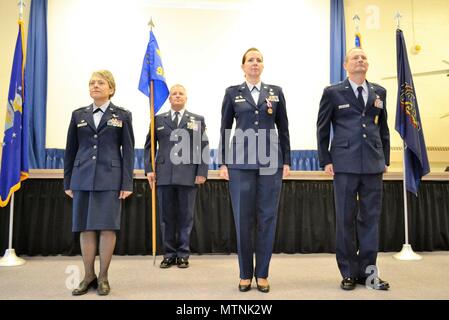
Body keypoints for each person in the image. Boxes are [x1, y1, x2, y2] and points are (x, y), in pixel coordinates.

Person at [316, 47, 390, 290]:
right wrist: (326, 159)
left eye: (364, 57)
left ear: (367, 64)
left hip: (372, 163)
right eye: (355, 57)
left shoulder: (379, 91)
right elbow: (323, 128)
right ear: (345, 65)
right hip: (344, 163)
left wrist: (385, 159)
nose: (360, 60)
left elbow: (383, 128)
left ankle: (368, 273)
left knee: (370, 219)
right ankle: (348, 272)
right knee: (345, 219)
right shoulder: (333, 92)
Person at [219, 48, 291, 293]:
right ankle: (244, 274)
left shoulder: (276, 93)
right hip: (240, 164)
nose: (255, 63)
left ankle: (262, 274)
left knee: (267, 219)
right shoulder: (232, 93)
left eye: (259, 60)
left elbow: (284, 129)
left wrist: (287, 161)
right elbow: (225, 128)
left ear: (263, 65)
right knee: (242, 219)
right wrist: (223, 162)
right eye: (250, 60)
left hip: (271, 163)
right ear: (243, 66)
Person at [64, 70, 135, 296]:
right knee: (85, 227)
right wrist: (68, 181)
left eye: (100, 83)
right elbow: (70, 150)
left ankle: (103, 276)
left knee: (107, 227)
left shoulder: (122, 115)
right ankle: (88, 275)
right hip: (82, 177)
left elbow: (129, 151)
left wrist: (127, 183)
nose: (95, 86)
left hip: (110, 178)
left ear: (111, 88)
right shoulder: (78, 115)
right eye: (92, 83)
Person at [144, 84, 209, 269]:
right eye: (174, 94)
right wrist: (149, 169)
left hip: (188, 175)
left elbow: (203, 146)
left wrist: (202, 172)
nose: (177, 96)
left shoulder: (196, 120)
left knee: (186, 217)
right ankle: (169, 254)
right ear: (169, 98)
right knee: (166, 217)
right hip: (163, 176)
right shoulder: (157, 119)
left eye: (181, 93)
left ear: (186, 97)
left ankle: (183, 254)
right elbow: (149, 146)